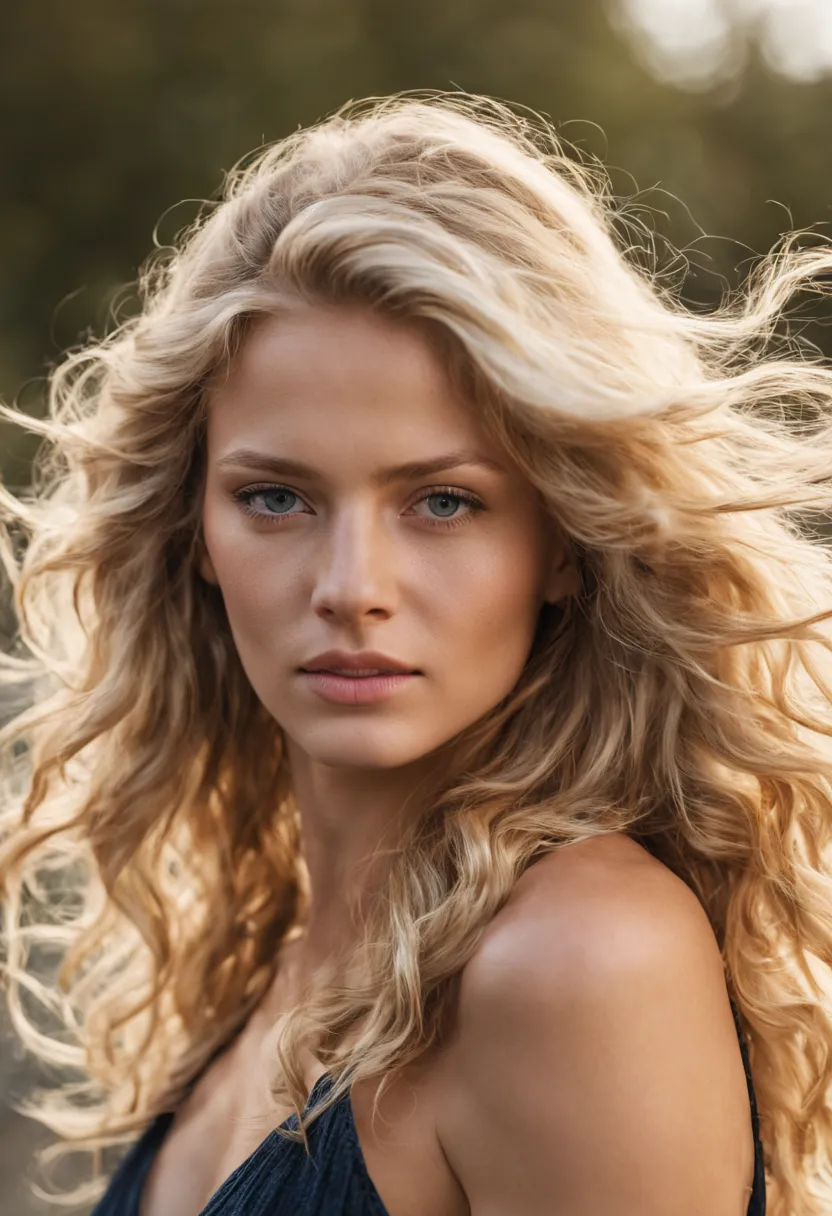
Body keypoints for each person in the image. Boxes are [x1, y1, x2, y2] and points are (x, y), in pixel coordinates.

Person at [4, 87, 832, 1216]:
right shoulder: (277, 969)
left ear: (566, 543)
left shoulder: (580, 962)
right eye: (277, 496)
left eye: (442, 502)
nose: (351, 587)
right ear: (193, 530)